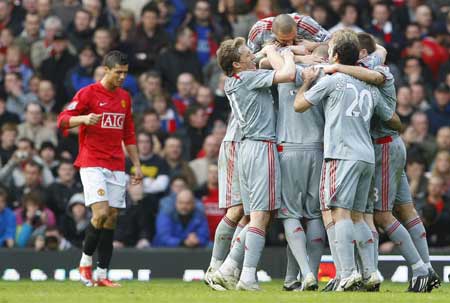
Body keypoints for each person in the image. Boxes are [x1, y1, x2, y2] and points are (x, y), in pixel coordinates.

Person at [293, 29, 400, 291]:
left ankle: (347, 273)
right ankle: (371, 272)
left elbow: (300, 105)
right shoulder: (370, 86)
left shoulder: (333, 80)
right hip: (366, 155)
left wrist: (306, 82)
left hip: (341, 154)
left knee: (338, 211)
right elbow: (390, 116)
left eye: (331, 50)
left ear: (337, 55)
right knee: (359, 215)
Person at [211, 37, 295, 291]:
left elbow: (259, 62)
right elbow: (287, 73)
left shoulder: (235, 80)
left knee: (254, 214)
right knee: (260, 215)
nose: (253, 57)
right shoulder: (248, 78)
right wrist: (285, 53)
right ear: (237, 64)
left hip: (246, 148)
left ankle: (226, 268)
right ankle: (246, 276)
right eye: (248, 55)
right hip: (261, 147)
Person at [57, 50, 143, 288]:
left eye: (125, 73)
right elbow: (62, 119)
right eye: (118, 73)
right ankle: (85, 263)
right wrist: (83, 119)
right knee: (101, 213)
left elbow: (129, 133)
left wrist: (136, 164)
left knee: (112, 218)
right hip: (92, 161)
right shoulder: (88, 93)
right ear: (106, 70)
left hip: (116, 163)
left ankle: (102, 273)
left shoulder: (125, 97)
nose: (122, 77)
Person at [247, 13, 330, 54]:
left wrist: (315, 45)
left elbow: (334, 42)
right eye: (284, 40)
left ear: (297, 28)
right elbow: (251, 60)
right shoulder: (258, 30)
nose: (290, 42)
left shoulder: (304, 24)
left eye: (293, 37)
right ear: (272, 32)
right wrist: (266, 51)